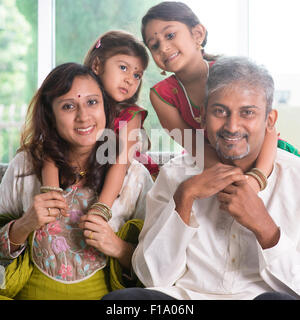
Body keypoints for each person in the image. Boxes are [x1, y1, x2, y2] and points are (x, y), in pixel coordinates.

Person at [102, 56, 300, 300]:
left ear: (269, 120)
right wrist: (184, 198)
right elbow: (151, 277)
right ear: (203, 116)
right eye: (220, 111)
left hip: (259, 297)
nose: (232, 126)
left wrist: (266, 229)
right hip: (186, 300)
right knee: (120, 303)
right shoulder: (176, 174)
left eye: (247, 113)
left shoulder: (294, 177)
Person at [0, 63, 153, 300]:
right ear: (50, 115)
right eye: (68, 106)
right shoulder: (25, 165)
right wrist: (23, 225)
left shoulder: (134, 177)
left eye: (92, 102)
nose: (83, 117)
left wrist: (119, 248)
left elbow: (160, 268)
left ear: (106, 108)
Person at [140, 1, 299, 191]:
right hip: (212, 161)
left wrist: (256, 180)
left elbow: (269, 131)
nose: (163, 48)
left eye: (170, 35)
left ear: (197, 34)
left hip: (263, 158)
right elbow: (195, 145)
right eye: (154, 45)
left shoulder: (233, 72)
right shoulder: (162, 95)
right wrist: (232, 179)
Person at [41, 31, 159, 220]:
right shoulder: (76, 107)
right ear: (96, 65)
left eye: (137, 75)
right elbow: (51, 149)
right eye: (123, 67)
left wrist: (101, 208)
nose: (130, 79)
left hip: (119, 178)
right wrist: (51, 194)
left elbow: (120, 163)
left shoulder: (131, 115)